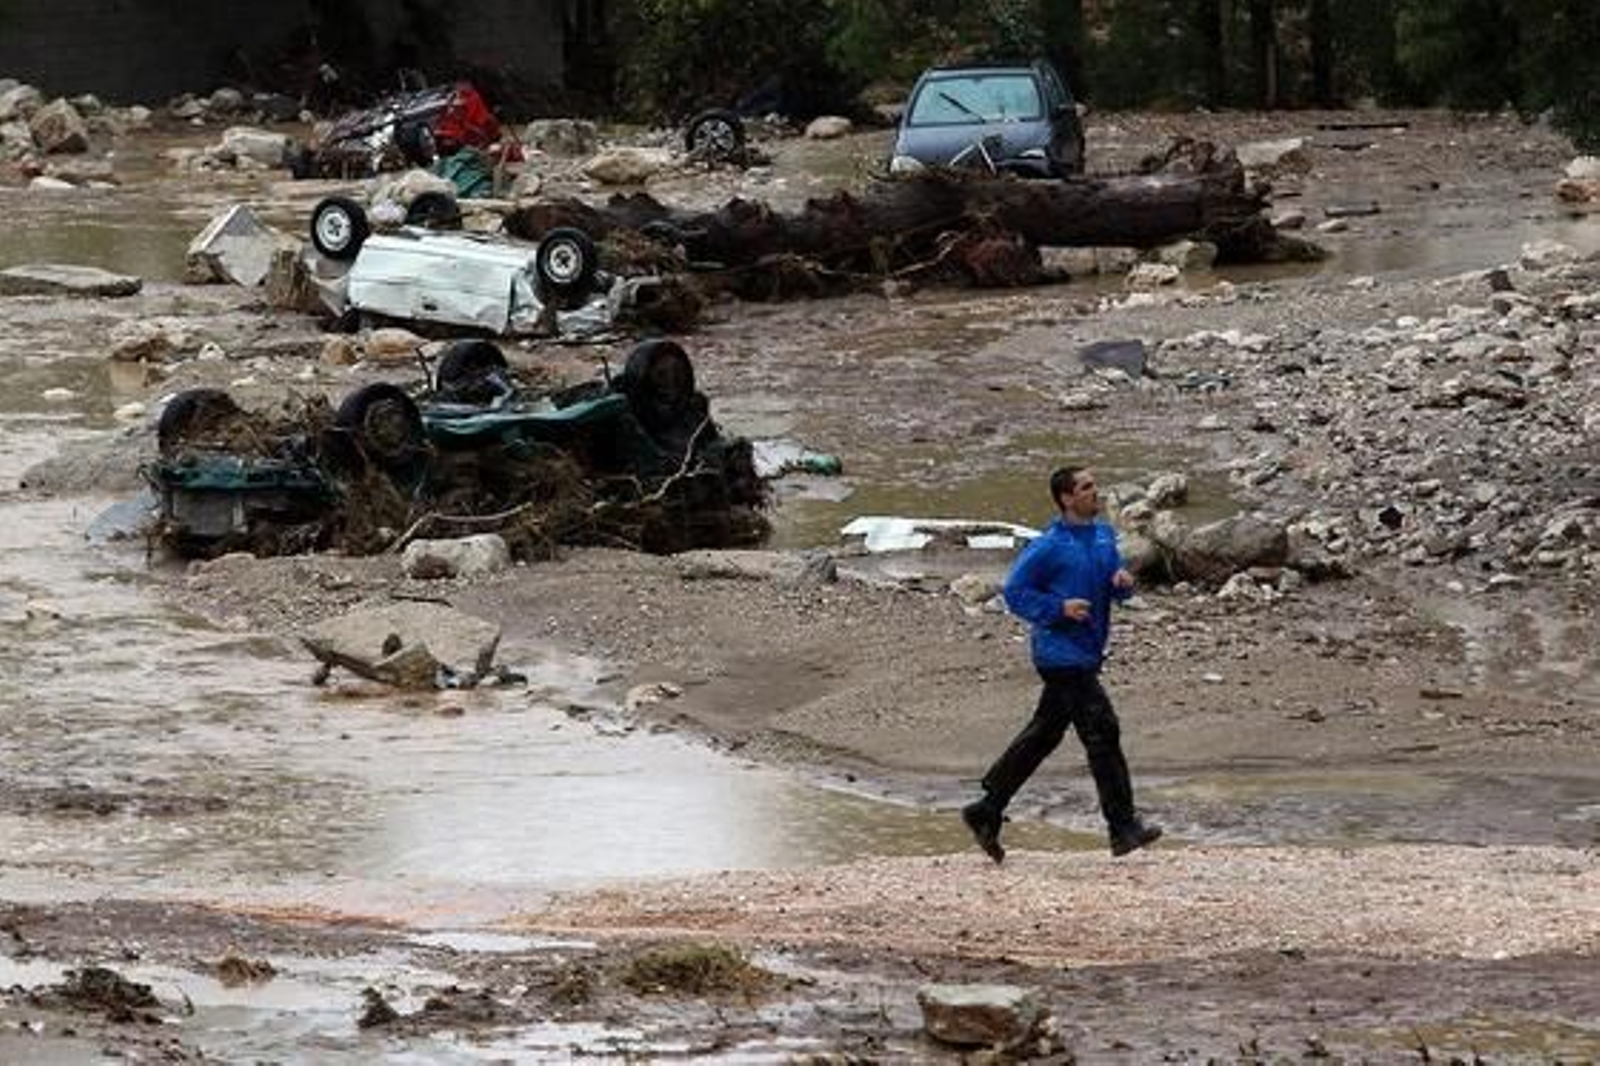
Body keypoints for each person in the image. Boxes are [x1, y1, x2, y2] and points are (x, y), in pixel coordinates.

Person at [961, 465, 1163, 862]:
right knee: (1102, 731)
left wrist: (1122, 585)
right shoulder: (1048, 546)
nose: (1095, 492)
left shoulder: (1103, 536)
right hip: (1059, 654)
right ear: (1067, 498)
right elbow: (1016, 592)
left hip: (1088, 651)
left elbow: (1111, 585)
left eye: (1094, 485)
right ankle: (1123, 828)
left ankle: (986, 809)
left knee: (1045, 733)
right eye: (1086, 488)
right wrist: (1058, 608)